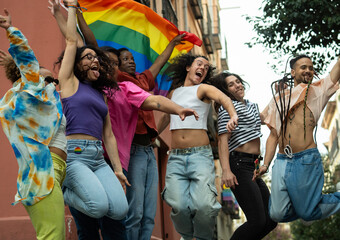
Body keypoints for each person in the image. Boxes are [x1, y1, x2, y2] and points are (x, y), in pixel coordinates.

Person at [56, 0, 129, 230]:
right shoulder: (68, 83)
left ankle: (73, 191)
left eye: (96, 57)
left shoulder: (101, 94)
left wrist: (117, 170)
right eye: (88, 57)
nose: (94, 59)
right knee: (97, 207)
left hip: (98, 157)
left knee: (119, 210)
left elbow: (108, 135)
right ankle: (62, 192)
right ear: (77, 64)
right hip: (75, 156)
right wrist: (71, 10)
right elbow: (71, 41)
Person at [0, 9, 66, 240]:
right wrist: (10, 30)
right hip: (42, 171)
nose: (52, 84)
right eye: (46, 79)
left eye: (54, 82)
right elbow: (28, 61)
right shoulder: (27, 92)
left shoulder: (45, 105)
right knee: (52, 236)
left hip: (56, 169)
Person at [157, 54, 238, 240]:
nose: (203, 68)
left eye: (206, 67)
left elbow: (224, 99)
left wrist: (233, 115)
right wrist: (152, 135)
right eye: (199, 64)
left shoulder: (203, 89)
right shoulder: (174, 94)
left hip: (199, 157)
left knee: (204, 206)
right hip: (175, 158)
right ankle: (186, 236)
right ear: (188, 67)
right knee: (177, 204)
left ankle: (203, 238)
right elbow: (165, 118)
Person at [256, 54, 340, 222]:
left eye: (311, 67)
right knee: (277, 214)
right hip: (281, 161)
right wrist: (265, 164)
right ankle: (303, 204)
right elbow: (272, 135)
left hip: (305, 159)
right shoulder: (279, 97)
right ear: (293, 72)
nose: (308, 70)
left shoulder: (318, 90)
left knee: (308, 213)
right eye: (303, 67)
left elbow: (336, 71)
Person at [210, 72, 277, 239]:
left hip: (253, 167)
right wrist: (226, 170)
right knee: (257, 221)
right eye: (231, 84)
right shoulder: (228, 110)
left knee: (271, 219)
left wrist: (278, 94)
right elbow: (222, 141)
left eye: (238, 81)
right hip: (238, 166)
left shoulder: (251, 106)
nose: (237, 85)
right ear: (225, 91)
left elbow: (266, 116)